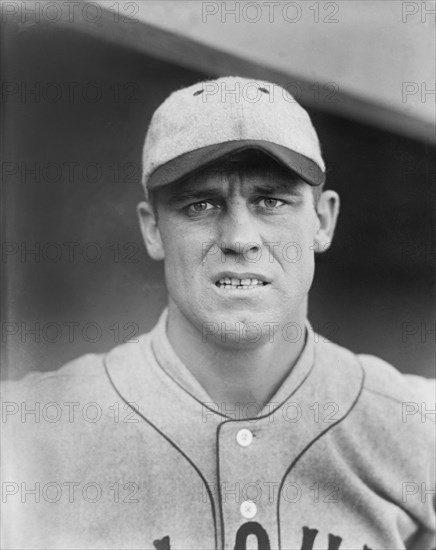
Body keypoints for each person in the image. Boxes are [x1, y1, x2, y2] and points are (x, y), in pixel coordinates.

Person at [2, 76, 435, 550]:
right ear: (153, 229)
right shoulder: (27, 432)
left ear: (323, 220)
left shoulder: (417, 426)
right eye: (201, 205)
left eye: (271, 201)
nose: (239, 237)